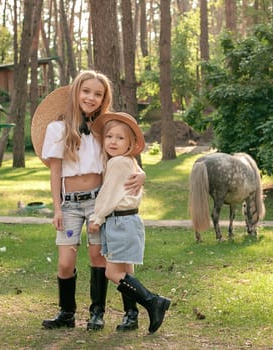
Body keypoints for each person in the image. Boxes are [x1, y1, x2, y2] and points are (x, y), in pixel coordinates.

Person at [30, 70, 145, 331]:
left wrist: (142, 174)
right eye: (86, 91)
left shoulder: (103, 129)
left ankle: (97, 313)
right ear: (75, 92)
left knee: (99, 258)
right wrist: (57, 207)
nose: (91, 98)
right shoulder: (57, 128)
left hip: (98, 202)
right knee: (65, 262)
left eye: (98, 94)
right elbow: (55, 171)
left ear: (103, 98)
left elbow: (124, 153)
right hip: (69, 203)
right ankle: (66, 313)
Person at [88, 112, 170, 334]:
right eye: (110, 137)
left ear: (131, 143)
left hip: (119, 223)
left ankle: (154, 302)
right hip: (130, 221)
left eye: (120, 138)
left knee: (112, 273)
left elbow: (109, 194)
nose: (113, 141)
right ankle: (133, 316)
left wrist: (97, 218)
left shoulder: (118, 163)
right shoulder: (127, 162)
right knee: (127, 272)